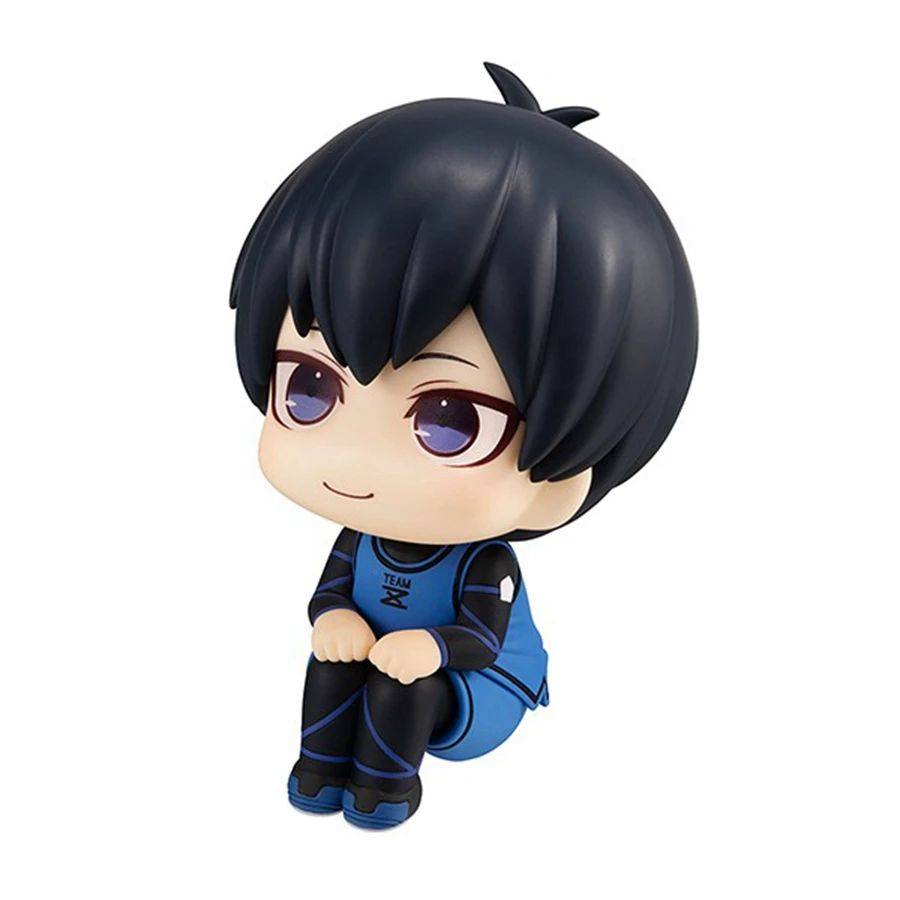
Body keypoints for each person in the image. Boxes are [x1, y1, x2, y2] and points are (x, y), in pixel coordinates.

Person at [230, 62, 698, 828]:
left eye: (450, 419)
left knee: (399, 689)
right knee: (331, 665)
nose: (356, 462)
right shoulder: (361, 538)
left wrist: (431, 649)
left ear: (562, 477)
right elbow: (333, 593)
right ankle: (319, 773)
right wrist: (334, 618)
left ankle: (384, 788)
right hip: (382, 656)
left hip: (477, 687)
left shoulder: (484, 564)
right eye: (310, 388)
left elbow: (482, 637)